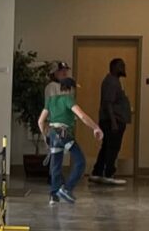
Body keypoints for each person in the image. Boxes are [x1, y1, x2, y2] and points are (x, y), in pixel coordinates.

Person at [40, 65, 87, 204]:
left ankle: (54, 194)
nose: (65, 73)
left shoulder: (59, 94)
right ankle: (65, 189)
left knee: (56, 162)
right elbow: (78, 115)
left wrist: (46, 133)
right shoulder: (56, 91)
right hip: (60, 130)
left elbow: (41, 118)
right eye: (62, 71)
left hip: (53, 130)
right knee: (79, 160)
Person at [92, 57, 133, 186]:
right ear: (114, 67)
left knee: (106, 147)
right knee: (112, 148)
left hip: (112, 120)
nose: (124, 68)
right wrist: (114, 122)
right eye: (121, 66)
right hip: (112, 121)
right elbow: (108, 103)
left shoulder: (115, 81)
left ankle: (97, 172)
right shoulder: (111, 82)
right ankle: (108, 173)